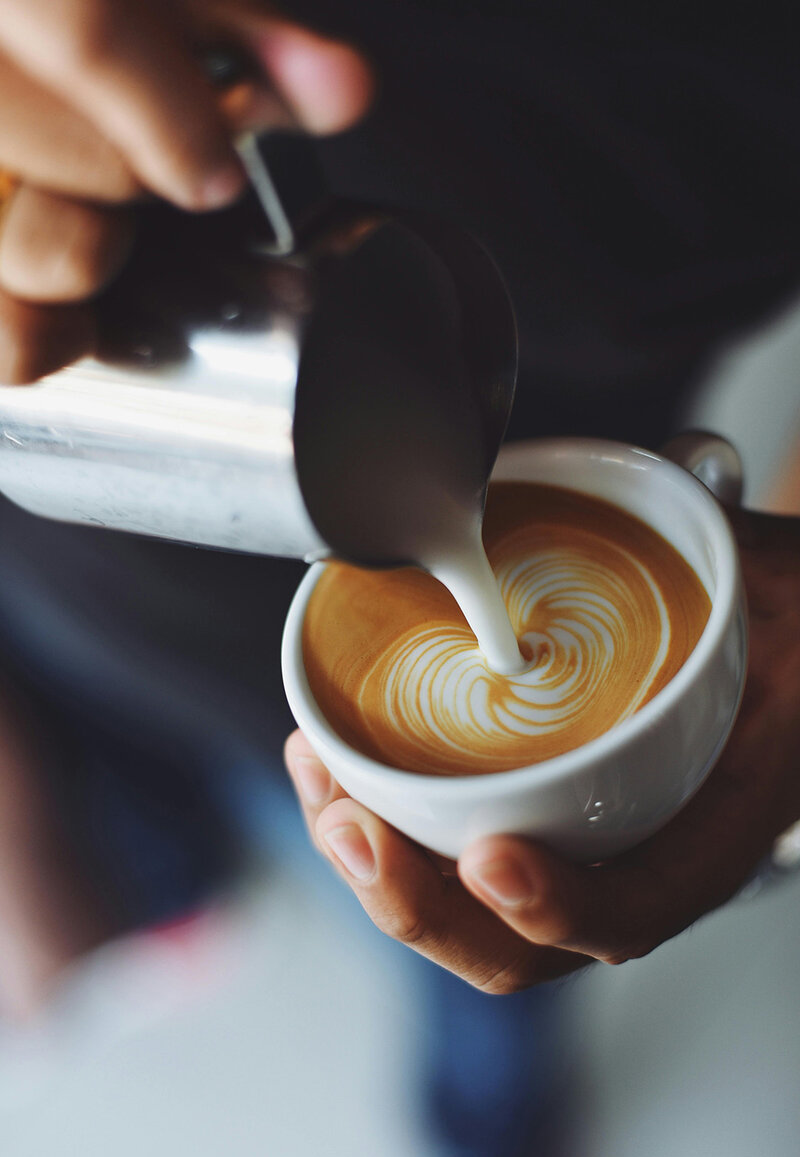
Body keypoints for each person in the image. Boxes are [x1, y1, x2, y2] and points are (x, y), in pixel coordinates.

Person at [1, 0, 800, 1012]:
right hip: (113, 597)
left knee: (473, 918)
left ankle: (489, 1090)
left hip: (548, 399)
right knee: (324, 834)